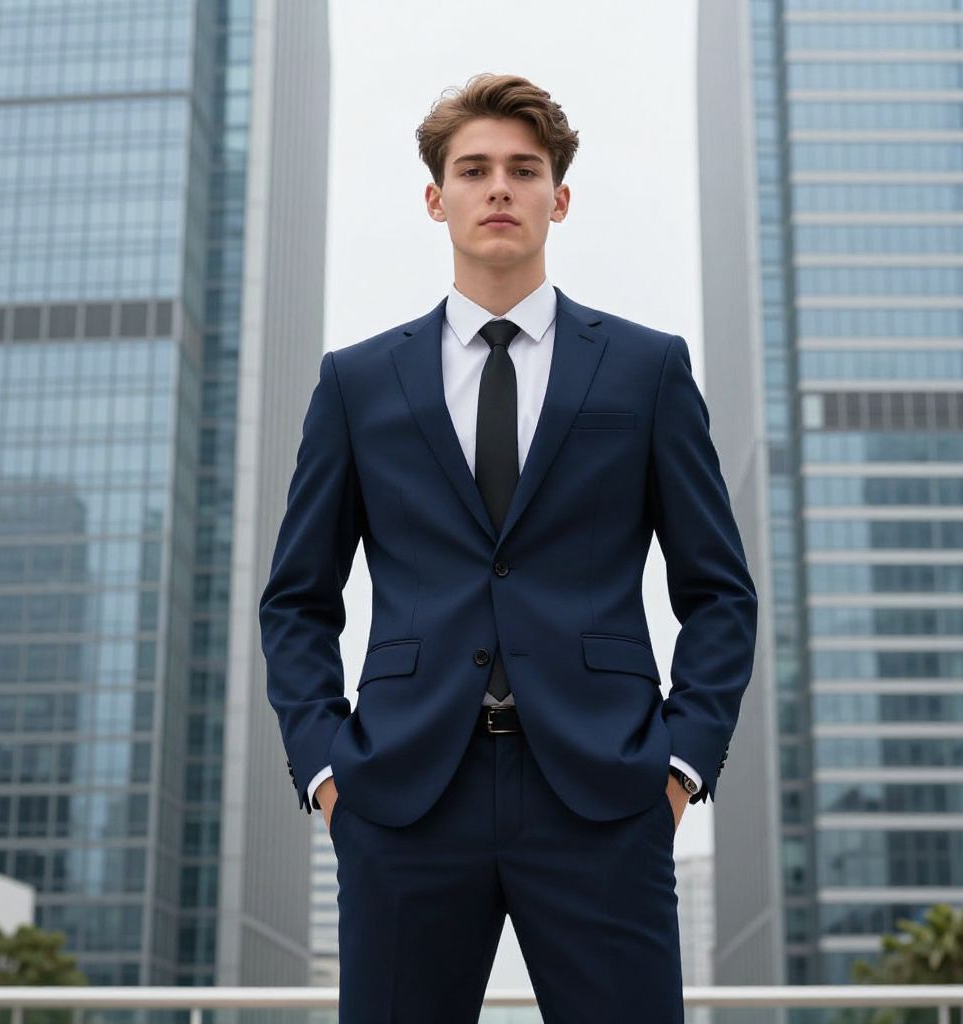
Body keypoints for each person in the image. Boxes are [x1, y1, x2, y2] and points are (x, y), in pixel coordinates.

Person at [260, 71, 758, 1023]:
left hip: (605, 791)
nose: (499, 188)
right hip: (404, 793)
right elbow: (298, 598)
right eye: (474, 169)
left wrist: (681, 766)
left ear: (557, 198)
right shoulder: (358, 382)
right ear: (436, 198)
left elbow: (718, 590)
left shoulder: (648, 369)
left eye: (523, 171)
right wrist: (327, 771)